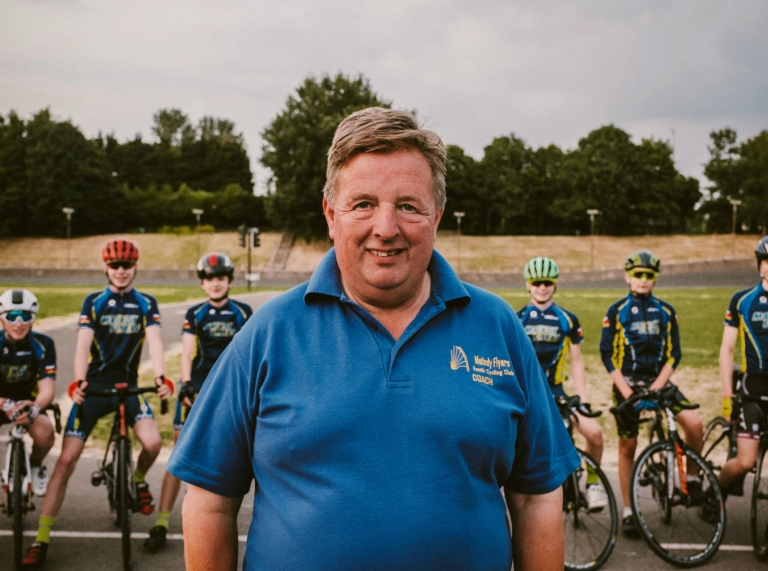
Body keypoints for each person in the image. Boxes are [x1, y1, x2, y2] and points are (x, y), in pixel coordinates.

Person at [167, 107, 580, 571]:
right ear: (330, 215)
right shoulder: (267, 333)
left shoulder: (498, 327)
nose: (386, 228)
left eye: (408, 205)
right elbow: (209, 500)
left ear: (437, 215)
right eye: (363, 204)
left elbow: (537, 497)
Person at [23, 238, 171, 567]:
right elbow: (82, 346)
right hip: (93, 389)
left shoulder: (147, 303)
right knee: (67, 462)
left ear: (135, 267)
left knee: (153, 443)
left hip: (129, 388)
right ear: (106, 268)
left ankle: (137, 480)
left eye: (127, 265)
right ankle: (42, 538)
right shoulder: (93, 302)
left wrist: (161, 377)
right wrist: (78, 381)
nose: (121, 271)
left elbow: (157, 343)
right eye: (115, 266)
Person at [144, 252, 252, 552]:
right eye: (209, 279)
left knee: (238, 453)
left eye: (220, 278)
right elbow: (188, 353)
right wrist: (187, 384)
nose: (215, 284)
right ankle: (162, 522)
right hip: (197, 388)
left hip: (230, 390)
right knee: (180, 454)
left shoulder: (243, 312)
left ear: (229, 280)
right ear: (202, 284)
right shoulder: (194, 314)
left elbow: (248, 354)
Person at [601, 249, 704, 539]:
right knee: (628, 446)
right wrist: (627, 392)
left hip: (660, 381)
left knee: (695, 425)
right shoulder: (616, 311)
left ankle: (693, 478)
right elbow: (607, 354)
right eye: (637, 275)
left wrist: (658, 388)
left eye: (648, 275)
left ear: (655, 278)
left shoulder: (667, 311)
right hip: (627, 383)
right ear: (627, 277)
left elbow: (675, 354)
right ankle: (628, 511)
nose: (643, 280)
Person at [517, 256, 607, 511]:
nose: (541, 287)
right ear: (528, 285)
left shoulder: (567, 319)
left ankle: (592, 484)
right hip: (529, 393)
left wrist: (584, 398)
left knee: (595, 434)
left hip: (557, 391)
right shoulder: (518, 318)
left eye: (547, 282)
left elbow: (577, 362)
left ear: (555, 284)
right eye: (536, 282)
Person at [703, 236, 768, 519]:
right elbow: (727, 350)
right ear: (760, 265)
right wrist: (728, 397)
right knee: (744, 462)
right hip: (753, 391)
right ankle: (715, 492)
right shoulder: (742, 300)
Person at [0, 289, 56, 497]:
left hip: (28, 403)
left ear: (33, 319)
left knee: (46, 433)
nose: (19, 323)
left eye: (26, 316)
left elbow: (47, 388)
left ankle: (35, 465)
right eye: (12, 316)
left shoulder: (44, 344)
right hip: (0, 402)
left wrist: (35, 408)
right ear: (1, 318)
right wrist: (4, 404)